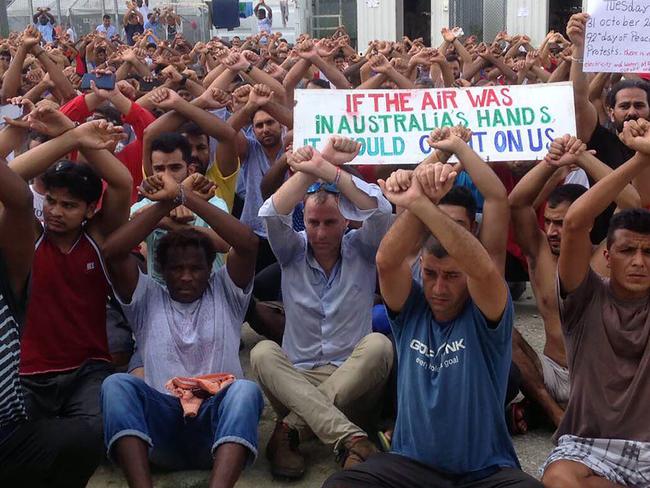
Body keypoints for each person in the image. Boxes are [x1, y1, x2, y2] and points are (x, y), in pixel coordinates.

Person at [323, 157, 542, 488]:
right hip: (412, 466)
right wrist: (416, 200)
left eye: (452, 276)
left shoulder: (487, 311)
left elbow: (482, 269)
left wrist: (426, 206)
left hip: (484, 472)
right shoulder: (411, 309)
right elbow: (386, 261)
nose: (438, 288)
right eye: (430, 274)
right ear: (421, 266)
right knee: (340, 485)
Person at [100, 170, 262, 488]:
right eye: (177, 268)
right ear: (162, 271)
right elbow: (113, 251)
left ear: (209, 269)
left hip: (216, 431)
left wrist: (188, 198)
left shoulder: (225, 292)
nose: (186, 276)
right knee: (116, 385)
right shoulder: (147, 297)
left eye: (195, 268)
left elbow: (248, 243)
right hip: (162, 432)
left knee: (246, 390)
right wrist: (165, 203)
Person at [251, 139, 394, 478]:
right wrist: (314, 164)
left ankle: (290, 430)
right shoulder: (291, 250)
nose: (320, 232)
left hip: (353, 381)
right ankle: (350, 438)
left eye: (330, 223)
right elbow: (271, 213)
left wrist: (329, 170)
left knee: (379, 346)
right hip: (296, 379)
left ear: (346, 221)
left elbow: (383, 210)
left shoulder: (362, 249)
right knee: (261, 353)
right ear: (305, 220)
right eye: (313, 222)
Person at [6, 119, 132, 488]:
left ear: (91, 210)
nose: (56, 211)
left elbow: (123, 183)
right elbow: (11, 177)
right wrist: (70, 138)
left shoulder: (98, 239)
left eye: (70, 205)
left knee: (92, 437)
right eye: (51, 201)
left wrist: (81, 136)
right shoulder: (26, 238)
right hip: (29, 376)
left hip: (87, 372)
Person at [541, 119, 650, 486]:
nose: (638, 261)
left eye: (649, 252)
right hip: (588, 446)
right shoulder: (586, 297)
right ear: (607, 254)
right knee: (560, 479)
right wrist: (638, 159)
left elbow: (636, 202)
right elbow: (574, 223)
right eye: (627, 250)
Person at [508, 135, 640, 431]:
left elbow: (630, 201)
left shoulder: (605, 256)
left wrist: (583, 158)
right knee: (505, 333)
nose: (555, 231)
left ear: (586, 221)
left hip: (602, 378)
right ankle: (557, 415)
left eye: (564, 223)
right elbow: (517, 202)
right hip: (552, 375)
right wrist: (550, 163)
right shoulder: (539, 253)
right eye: (551, 222)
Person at [131, 130, 230, 285]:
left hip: (209, 292)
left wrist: (166, 223)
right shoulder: (144, 205)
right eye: (159, 169)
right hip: (160, 297)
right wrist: (163, 214)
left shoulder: (211, 203)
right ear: (151, 172)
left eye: (175, 168)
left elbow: (224, 243)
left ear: (190, 170)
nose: (166, 176)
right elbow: (125, 239)